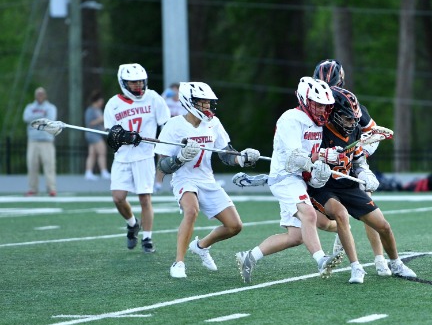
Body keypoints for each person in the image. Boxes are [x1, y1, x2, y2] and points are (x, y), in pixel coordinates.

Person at [235, 77, 344, 284]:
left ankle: (248, 257)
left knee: (296, 236)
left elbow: (310, 159)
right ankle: (321, 260)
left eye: (325, 105)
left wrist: (325, 162)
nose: (322, 109)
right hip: (285, 177)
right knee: (308, 214)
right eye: (318, 104)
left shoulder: (317, 123)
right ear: (304, 100)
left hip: (299, 179)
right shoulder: (291, 119)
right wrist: (321, 156)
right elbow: (296, 159)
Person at [307, 86, 417, 284]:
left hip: (348, 184)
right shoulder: (319, 132)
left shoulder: (355, 130)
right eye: (348, 118)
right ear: (334, 114)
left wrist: (364, 173)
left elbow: (358, 159)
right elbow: (306, 161)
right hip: (324, 187)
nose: (352, 123)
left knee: (383, 226)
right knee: (340, 214)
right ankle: (356, 267)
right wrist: (318, 165)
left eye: (354, 119)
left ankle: (396, 263)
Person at [155, 81, 261, 278]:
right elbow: (162, 166)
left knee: (234, 226)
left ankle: (201, 246)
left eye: (208, 102)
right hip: (184, 178)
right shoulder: (174, 125)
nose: (206, 106)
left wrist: (242, 159)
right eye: (201, 102)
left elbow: (226, 154)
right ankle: (178, 262)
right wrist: (180, 158)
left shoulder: (213, 123)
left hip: (207, 179)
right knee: (191, 210)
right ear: (188, 101)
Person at [313, 59, 393, 277]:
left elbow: (373, 135)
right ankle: (343, 234)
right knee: (320, 220)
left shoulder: (349, 105)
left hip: (348, 165)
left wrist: (356, 156)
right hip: (322, 171)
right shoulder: (312, 108)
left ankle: (379, 258)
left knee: (368, 206)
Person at [103, 63, 171, 253]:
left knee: (145, 198)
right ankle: (133, 224)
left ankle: (147, 238)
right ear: (123, 83)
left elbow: (166, 124)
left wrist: (165, 140)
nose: (138, 85)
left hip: (144, 156)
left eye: (140, 81)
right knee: (118, 198)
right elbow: (110, 135)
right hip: (122, 158)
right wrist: (123, 136)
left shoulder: (153, 98)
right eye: (133, 82)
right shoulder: (113, 104)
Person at [22, 87, 57, 196]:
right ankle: (33, 188)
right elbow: (26, 118)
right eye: (38, 94)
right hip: (33, 141)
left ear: (45, 95)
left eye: (42, 94)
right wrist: (42, 116)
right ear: (35, 95)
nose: (40, 96)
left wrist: (36, 118)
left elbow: (50, 119)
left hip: (47, 141)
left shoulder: (50, 107)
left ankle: (51, 188)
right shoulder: (30, 107)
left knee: (49, 165)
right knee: (32, 165)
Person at [83, 90, 110, 180]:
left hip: (96, 133)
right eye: (100, 101)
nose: (101, 103)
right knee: (102, 151)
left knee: (92, 154)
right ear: (97, 101)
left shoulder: (98, 110)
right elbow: (89, 123)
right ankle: (103, 171)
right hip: (93, 134)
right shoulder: (90, 110)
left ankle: (88, 172)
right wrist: (100, 119)